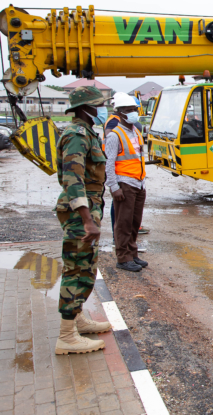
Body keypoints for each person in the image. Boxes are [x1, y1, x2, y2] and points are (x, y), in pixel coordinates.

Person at [54, 86, 112, 355]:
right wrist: (87, 219)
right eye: (100, 105)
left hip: (88, 209)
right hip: (80, 212)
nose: (103, 109)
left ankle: (76, 319)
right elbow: (72, 179)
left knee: (86, 267)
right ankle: (67, 336)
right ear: (87, 108)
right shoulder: (77, 135)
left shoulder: (87, 133)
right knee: (77, 269)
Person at [105, 92, 147, 272]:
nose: (133, 113)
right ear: (120, 113)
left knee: (134, 222)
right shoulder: (115, 135)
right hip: (124, 184)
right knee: (123, 223)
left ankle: (132, 254)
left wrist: (142, 182)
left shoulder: (136, 132)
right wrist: (113, 187)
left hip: (138, 183)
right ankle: (123, 258)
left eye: (134, 110)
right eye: (129, 110)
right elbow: (109, 163)